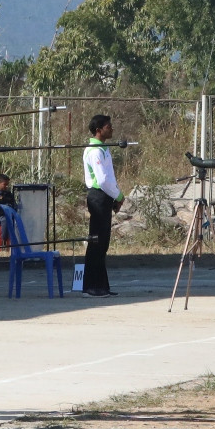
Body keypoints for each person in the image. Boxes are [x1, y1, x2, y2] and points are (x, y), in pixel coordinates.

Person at [83, 114, 122, 298]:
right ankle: (91, 287)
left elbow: (110, 178)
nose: (111, 129)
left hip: (106, 196)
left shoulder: (105, 149)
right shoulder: (94, 151)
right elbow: (103, 180)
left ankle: (101, 285)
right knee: (96, 242)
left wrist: (115, 196)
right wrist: (119, 195)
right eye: (108, 126)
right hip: (98, 196)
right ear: (99, 130)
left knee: (103, 243)